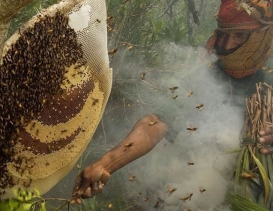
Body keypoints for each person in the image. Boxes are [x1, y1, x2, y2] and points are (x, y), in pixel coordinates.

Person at [71, 0, 273, 204]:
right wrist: (105, 164)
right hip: (205, 195)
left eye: (239, 35)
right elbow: (155, 124)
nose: (228, 46)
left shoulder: (269, 77)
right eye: (225, 34)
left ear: (262, 35)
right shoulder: (204, 76)